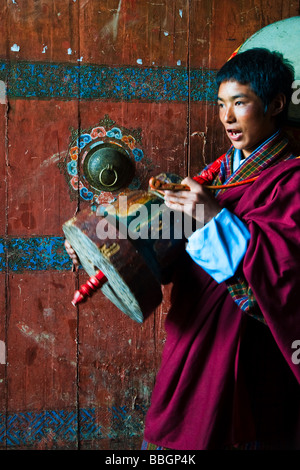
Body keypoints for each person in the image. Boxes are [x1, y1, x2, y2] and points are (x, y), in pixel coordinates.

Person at [65, 48, 300, 450]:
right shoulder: (219, 174)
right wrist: (104, 252)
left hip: (244, 351)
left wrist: (212, 216)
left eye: (239, 103)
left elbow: (283, 272)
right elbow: (165, 254)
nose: (227, 118)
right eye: (221, 104)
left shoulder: (291, 180)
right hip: (192, 335)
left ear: (275, 104)